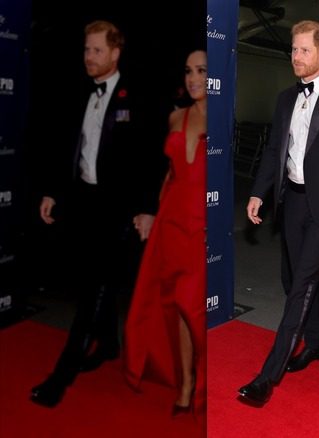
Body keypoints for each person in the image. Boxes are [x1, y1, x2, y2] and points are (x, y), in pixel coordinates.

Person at [30, 19, 168, 408]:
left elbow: (151, 157)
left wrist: (146, 208)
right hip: (82, 203)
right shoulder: (80, 90)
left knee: (94, 289)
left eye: (95, 51)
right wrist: (53, 193)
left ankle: (61, 377)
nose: (88, 57)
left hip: (118, 210)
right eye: (86, 50)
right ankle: (108, 344)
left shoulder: (137, 95)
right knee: (90, 280)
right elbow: (66, 146)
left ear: (115, 53)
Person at [237, 19, 319, 408]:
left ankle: (267, 376)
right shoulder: (284, 98)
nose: (296, 56)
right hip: (291, 201)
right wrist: (259, 193)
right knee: (294, 276)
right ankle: (317, 344)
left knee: (302, 284)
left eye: (304, 50)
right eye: (293, 49)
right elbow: (276, 149)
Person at [123, 48, 207, 422]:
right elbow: (168, 175)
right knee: (175, 307)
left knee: (196, 309)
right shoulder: (176, 116)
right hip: (172, 222)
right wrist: (152, 214)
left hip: (203, 226)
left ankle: (206, 382)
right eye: (188, 71)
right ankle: (186, 383)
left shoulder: (223, 121)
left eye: (201, 70)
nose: (192, 78)